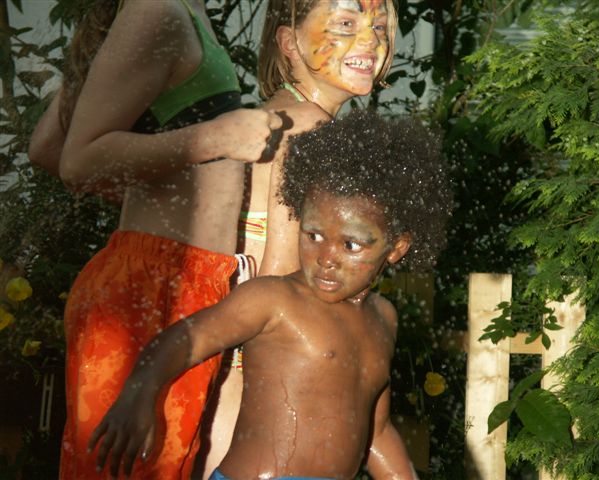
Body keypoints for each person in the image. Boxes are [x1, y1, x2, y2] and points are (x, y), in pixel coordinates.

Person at [88, 109, 453, 480]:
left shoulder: (383, 318)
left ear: (396, 248)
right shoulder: (274, 299)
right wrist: (140, 393)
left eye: (351, 245)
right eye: (314, 235)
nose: (326, 257)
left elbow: (376, 431)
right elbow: (185, 338)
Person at [28, 1, 281, 478]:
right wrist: (216, 138)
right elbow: (77, 161)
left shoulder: (177, 11)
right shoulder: (157, 10)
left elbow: (47, 146)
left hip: (178, 281)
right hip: (151, 287)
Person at [200, 0, 398, 474]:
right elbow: (283, 274)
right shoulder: (311, 127)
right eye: (346, 23)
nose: (370, 40)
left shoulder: (280, 115)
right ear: (289, 42)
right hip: (252, 376)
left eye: (379, 26)